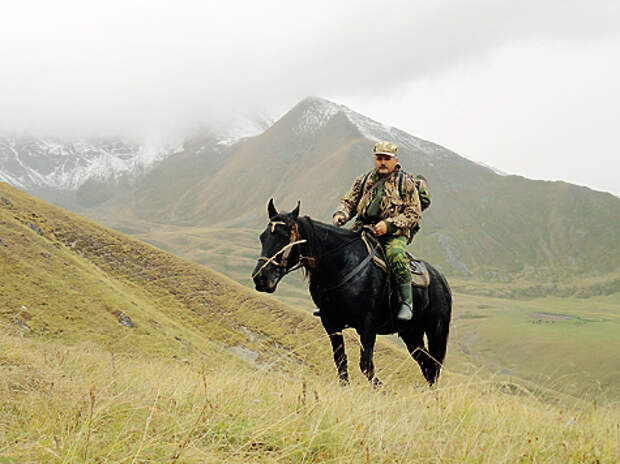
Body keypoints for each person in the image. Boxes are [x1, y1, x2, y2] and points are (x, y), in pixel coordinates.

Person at [331, 141, 423, 321]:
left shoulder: (406, 184)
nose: (382, 162)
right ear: (374, 159)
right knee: (337, 252)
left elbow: (414, 213)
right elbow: (349, 201)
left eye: (386, 159)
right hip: (362, 228)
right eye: (379, 158)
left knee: (396, 255)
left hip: (394, 233)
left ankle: (406, 302)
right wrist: (341, 214)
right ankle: (331, 299)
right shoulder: (364, 180)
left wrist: (389, 225)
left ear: (395, 160)